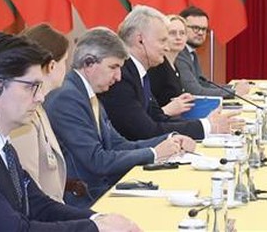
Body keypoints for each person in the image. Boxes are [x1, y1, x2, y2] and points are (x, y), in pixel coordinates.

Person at [0, 32, 139, 231]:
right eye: (31, 87)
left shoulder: (0, 143)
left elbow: (39, 206)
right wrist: (95, 228)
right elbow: (12, 229)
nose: (40, 97)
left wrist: (99, 218)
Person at [45, 28, 193, 208]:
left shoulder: (87, 93)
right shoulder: (67, 97)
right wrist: (154, 153)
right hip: (86, 199)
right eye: (113, 67)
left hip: (103, 189)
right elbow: (96, 161)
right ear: (89, 63)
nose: (118, 76)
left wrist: (168, 140)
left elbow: (117, 144)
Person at [99, 5, 239, 140]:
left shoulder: (138, 72)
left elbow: (159, 118)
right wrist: (207, 126)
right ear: (140, 40)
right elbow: (146, 131)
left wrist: (206, 124)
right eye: (162, 41)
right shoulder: (121, 76)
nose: (167, 48)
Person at [10, 24, 70, 201]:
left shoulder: (38, 108)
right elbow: (29, 188)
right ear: (51, 66)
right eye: (65, 61)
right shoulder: (23, 115)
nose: (67, 68)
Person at [176, 6, 250, 99]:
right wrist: (234, 93)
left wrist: (232, 87)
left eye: (204, 29)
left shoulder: (191, 53)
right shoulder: (178, 53)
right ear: (182, 28)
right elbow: (195, 92)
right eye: (195, 28)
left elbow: (204, 83)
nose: (200, 33)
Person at [147, 15, 194, 113]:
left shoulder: (175, 66)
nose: (178, 37)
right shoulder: (156, 66)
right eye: (172, 33)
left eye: (182, 33)